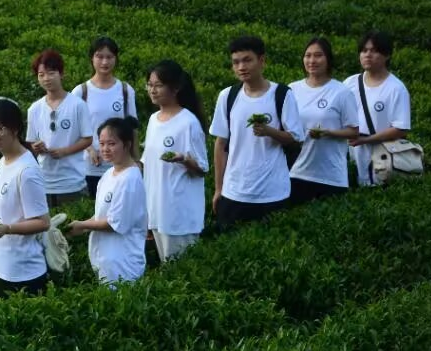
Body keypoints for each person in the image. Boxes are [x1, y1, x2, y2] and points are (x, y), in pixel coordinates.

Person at [210, 36, 304, 232]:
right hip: (233, 191)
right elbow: (220, 144)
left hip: (272, 192)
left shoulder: (282, 94)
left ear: (262, 61)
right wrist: (219, 188)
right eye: (236, 62)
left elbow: (296, 137)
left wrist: (270, 132)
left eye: (247, 60)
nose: (241, 67)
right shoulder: (227, 96)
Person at [0, 99, 51, 297]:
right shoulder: (3, 161)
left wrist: (7, 229)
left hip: (24, 273)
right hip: (0, 266)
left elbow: (43, 222)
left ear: (16, 129)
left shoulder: (26, 171)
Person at [142, 60, 209, 262]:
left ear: (176, 88)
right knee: (167, 268)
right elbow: (148, 166)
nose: (153, 90)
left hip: (179, 213)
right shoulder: (153, 120)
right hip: (157, 210)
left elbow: (202, 169)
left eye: (159, 85)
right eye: (149, 85)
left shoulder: (188, 122)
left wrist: (184, 160)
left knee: (181, 270)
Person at [67, 116, 147, 286]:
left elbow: (115, 223)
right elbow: (100, 216)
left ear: (127, 144)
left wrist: (83, 225)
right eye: (102, 143)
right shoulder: (108, 174)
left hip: (122, 264)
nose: (105, 149)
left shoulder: (130, 179)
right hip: (105, 261)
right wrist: (80, 227)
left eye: (111, 144)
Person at [288, 37, 359, 203]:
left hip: (331, 176)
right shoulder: (292, 89)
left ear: (328, 59)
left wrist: (328, 133)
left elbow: (353, 131)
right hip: (296, 171)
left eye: (318, 55)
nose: (312, 60)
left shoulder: (342, 92)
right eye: (308, 55)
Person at [71, 36, 138, 198]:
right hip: (89, 167)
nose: (104, 62)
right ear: (92, 58)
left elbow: (132, 129)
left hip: (120, 166)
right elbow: (74, 130)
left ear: (116, 59)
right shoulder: (81, 92)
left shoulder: (125, 90)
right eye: (99, 56)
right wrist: (90, 149)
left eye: (109, 57)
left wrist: (136, 161)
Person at [26, 49, 93, 207]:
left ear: (61, 74)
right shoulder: (34, 109)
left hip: (73, 182)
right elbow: (31, 143)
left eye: (51, 73)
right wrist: (36, 147)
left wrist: (64, 151)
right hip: (44, 183)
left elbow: (87, 139)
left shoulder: (77, 105)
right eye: (41, 75)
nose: (46, 78)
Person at [344, 31, 412, 186]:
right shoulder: (349, 83)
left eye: (374, 51)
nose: (367, 55)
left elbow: (400, 129)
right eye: (364, 51)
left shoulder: (396, 89)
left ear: (386, 55)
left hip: (382, 159)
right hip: (351, 157)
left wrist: (366, 140)